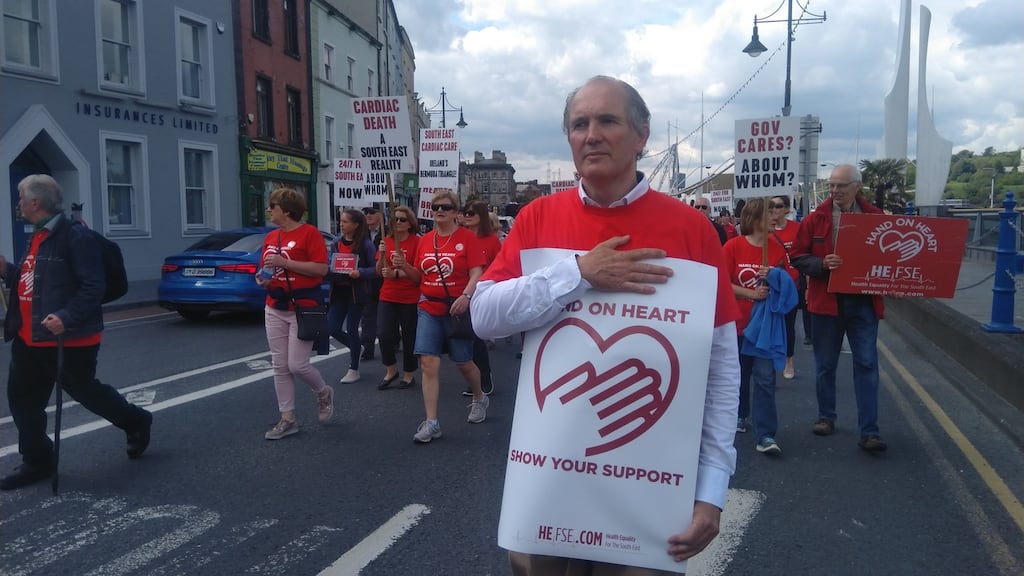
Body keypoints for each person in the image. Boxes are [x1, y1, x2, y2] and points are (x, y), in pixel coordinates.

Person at [471, 76, 741, 574]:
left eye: (607, 121)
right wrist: (577, 273)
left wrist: (712, 489)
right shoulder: (535, 218)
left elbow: (720, 366)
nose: (591, 135)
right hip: (550, 483)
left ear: (641, 136)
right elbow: (485, 317)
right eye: (579, 124)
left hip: (648, 489)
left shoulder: (693, 229)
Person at [1, 174, 152, 490]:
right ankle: (38, 461)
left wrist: (65, 317)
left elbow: (93, 286)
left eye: (21, 198)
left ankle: (136, 420)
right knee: (23, 400)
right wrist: (6, 270)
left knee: (87, 393)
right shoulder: (38, 236)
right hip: (30, 338)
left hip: (68, 339)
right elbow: (35, 284)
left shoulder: (75, 237)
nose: (19, 204)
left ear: (35, 202)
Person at [790, 164, 887, 453]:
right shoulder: (815, 219)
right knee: (825, 365)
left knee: (867, 363)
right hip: (826, 301)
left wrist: (893, 282)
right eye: (832, 185)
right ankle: (826, 417)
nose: (834, 190)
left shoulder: (876, 218)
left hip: (863, 302)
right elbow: (797, 256)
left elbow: (889, 257)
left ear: (857, 186)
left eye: (841, 185)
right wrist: (821, 264)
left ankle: (869, 431)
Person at [391, 190, 488, 444]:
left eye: (445, 207)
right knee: (428, 363)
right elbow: (418, 277)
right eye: (435, 207)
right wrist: (404, 266)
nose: (439, 211)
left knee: (464, 362)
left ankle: (479, 397)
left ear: (455, 212)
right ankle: (432, 422)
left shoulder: (467, 238)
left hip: (457, 308)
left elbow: (477, 272)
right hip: (428, 307)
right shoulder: (425, 241)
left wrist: (466, 297)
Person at [256, 187, 333, 440]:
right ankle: (287, 418)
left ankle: (322, 392)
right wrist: (262, 279)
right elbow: (267, 267)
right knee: (280, 366)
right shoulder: (271, 237)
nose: (269, 210)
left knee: (297, 365)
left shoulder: (309, 233)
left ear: (287, 211)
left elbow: (321, 269)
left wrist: (285, 262)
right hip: (274, 305)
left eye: (273, 206)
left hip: (303, 307)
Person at [722, 198, 790, 454]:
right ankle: (739, 414)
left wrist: (774, 277)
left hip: (764, 328)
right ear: (755, 219)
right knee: (738, 377)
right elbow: (721, 282)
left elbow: (789, 285)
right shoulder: (733, 246)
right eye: (769, 213)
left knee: (765, 379)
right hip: (736, 324)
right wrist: (751, 294)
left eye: (776, 212)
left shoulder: (776, 249)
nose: (775, 217)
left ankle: (766, 435)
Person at [328, 209, 377, 384]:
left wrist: (360, 272)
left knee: (352, 329)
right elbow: (331, 263)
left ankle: (353, 369)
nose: (341, 224)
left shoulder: (366, 245)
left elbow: (376, 269)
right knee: (332, 328)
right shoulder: (336, 242)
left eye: (345, 222)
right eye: (341, 221)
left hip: (357, 293)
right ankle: (356, 346)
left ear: (356, 225)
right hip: (338, 291)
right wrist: (329, 270)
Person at [376, 205, 420, 390]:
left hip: (410, 296)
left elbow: (418, 272)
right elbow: (379, 271)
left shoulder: (417, 242)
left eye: (402, 219)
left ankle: (409, 374)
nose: (398, 222)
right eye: (395, 219)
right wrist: (382, 255)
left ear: (410, 223)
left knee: (409, 336)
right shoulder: (386, 240)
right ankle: (391, 369)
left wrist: (397, 273)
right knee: (384, 333)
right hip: (388, 294)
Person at [460, 200, 502, 397]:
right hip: (460, 292)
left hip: (481, 293)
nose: (467, 216)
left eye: (472, 213)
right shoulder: (460, 237)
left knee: (476, 339)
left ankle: (485, 379)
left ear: (482, 216)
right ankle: (475, 380)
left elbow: (499, 267)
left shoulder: (491, 240)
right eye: (465, 212)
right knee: (465, 340)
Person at [768, 195, 802, 378]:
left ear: (787, 209)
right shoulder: (766, 231)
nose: (774, 209)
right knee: (770, 324)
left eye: (778, 206)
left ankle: (789, 360)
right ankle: (769, 361)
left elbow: (805, 254)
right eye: (770, 206)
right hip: (770, 287)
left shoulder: (797, 229)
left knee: (788, 325)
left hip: (791, 286)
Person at [359, 206, 384, 361]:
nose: (368, 215)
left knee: (387, 316)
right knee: (367, 316)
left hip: (385, 279)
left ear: (380, 214)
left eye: (372, 212)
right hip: (368, 281)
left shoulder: (387, 232)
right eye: (366, 213)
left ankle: (392, 341)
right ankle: (367, 348)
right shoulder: (361, 233)